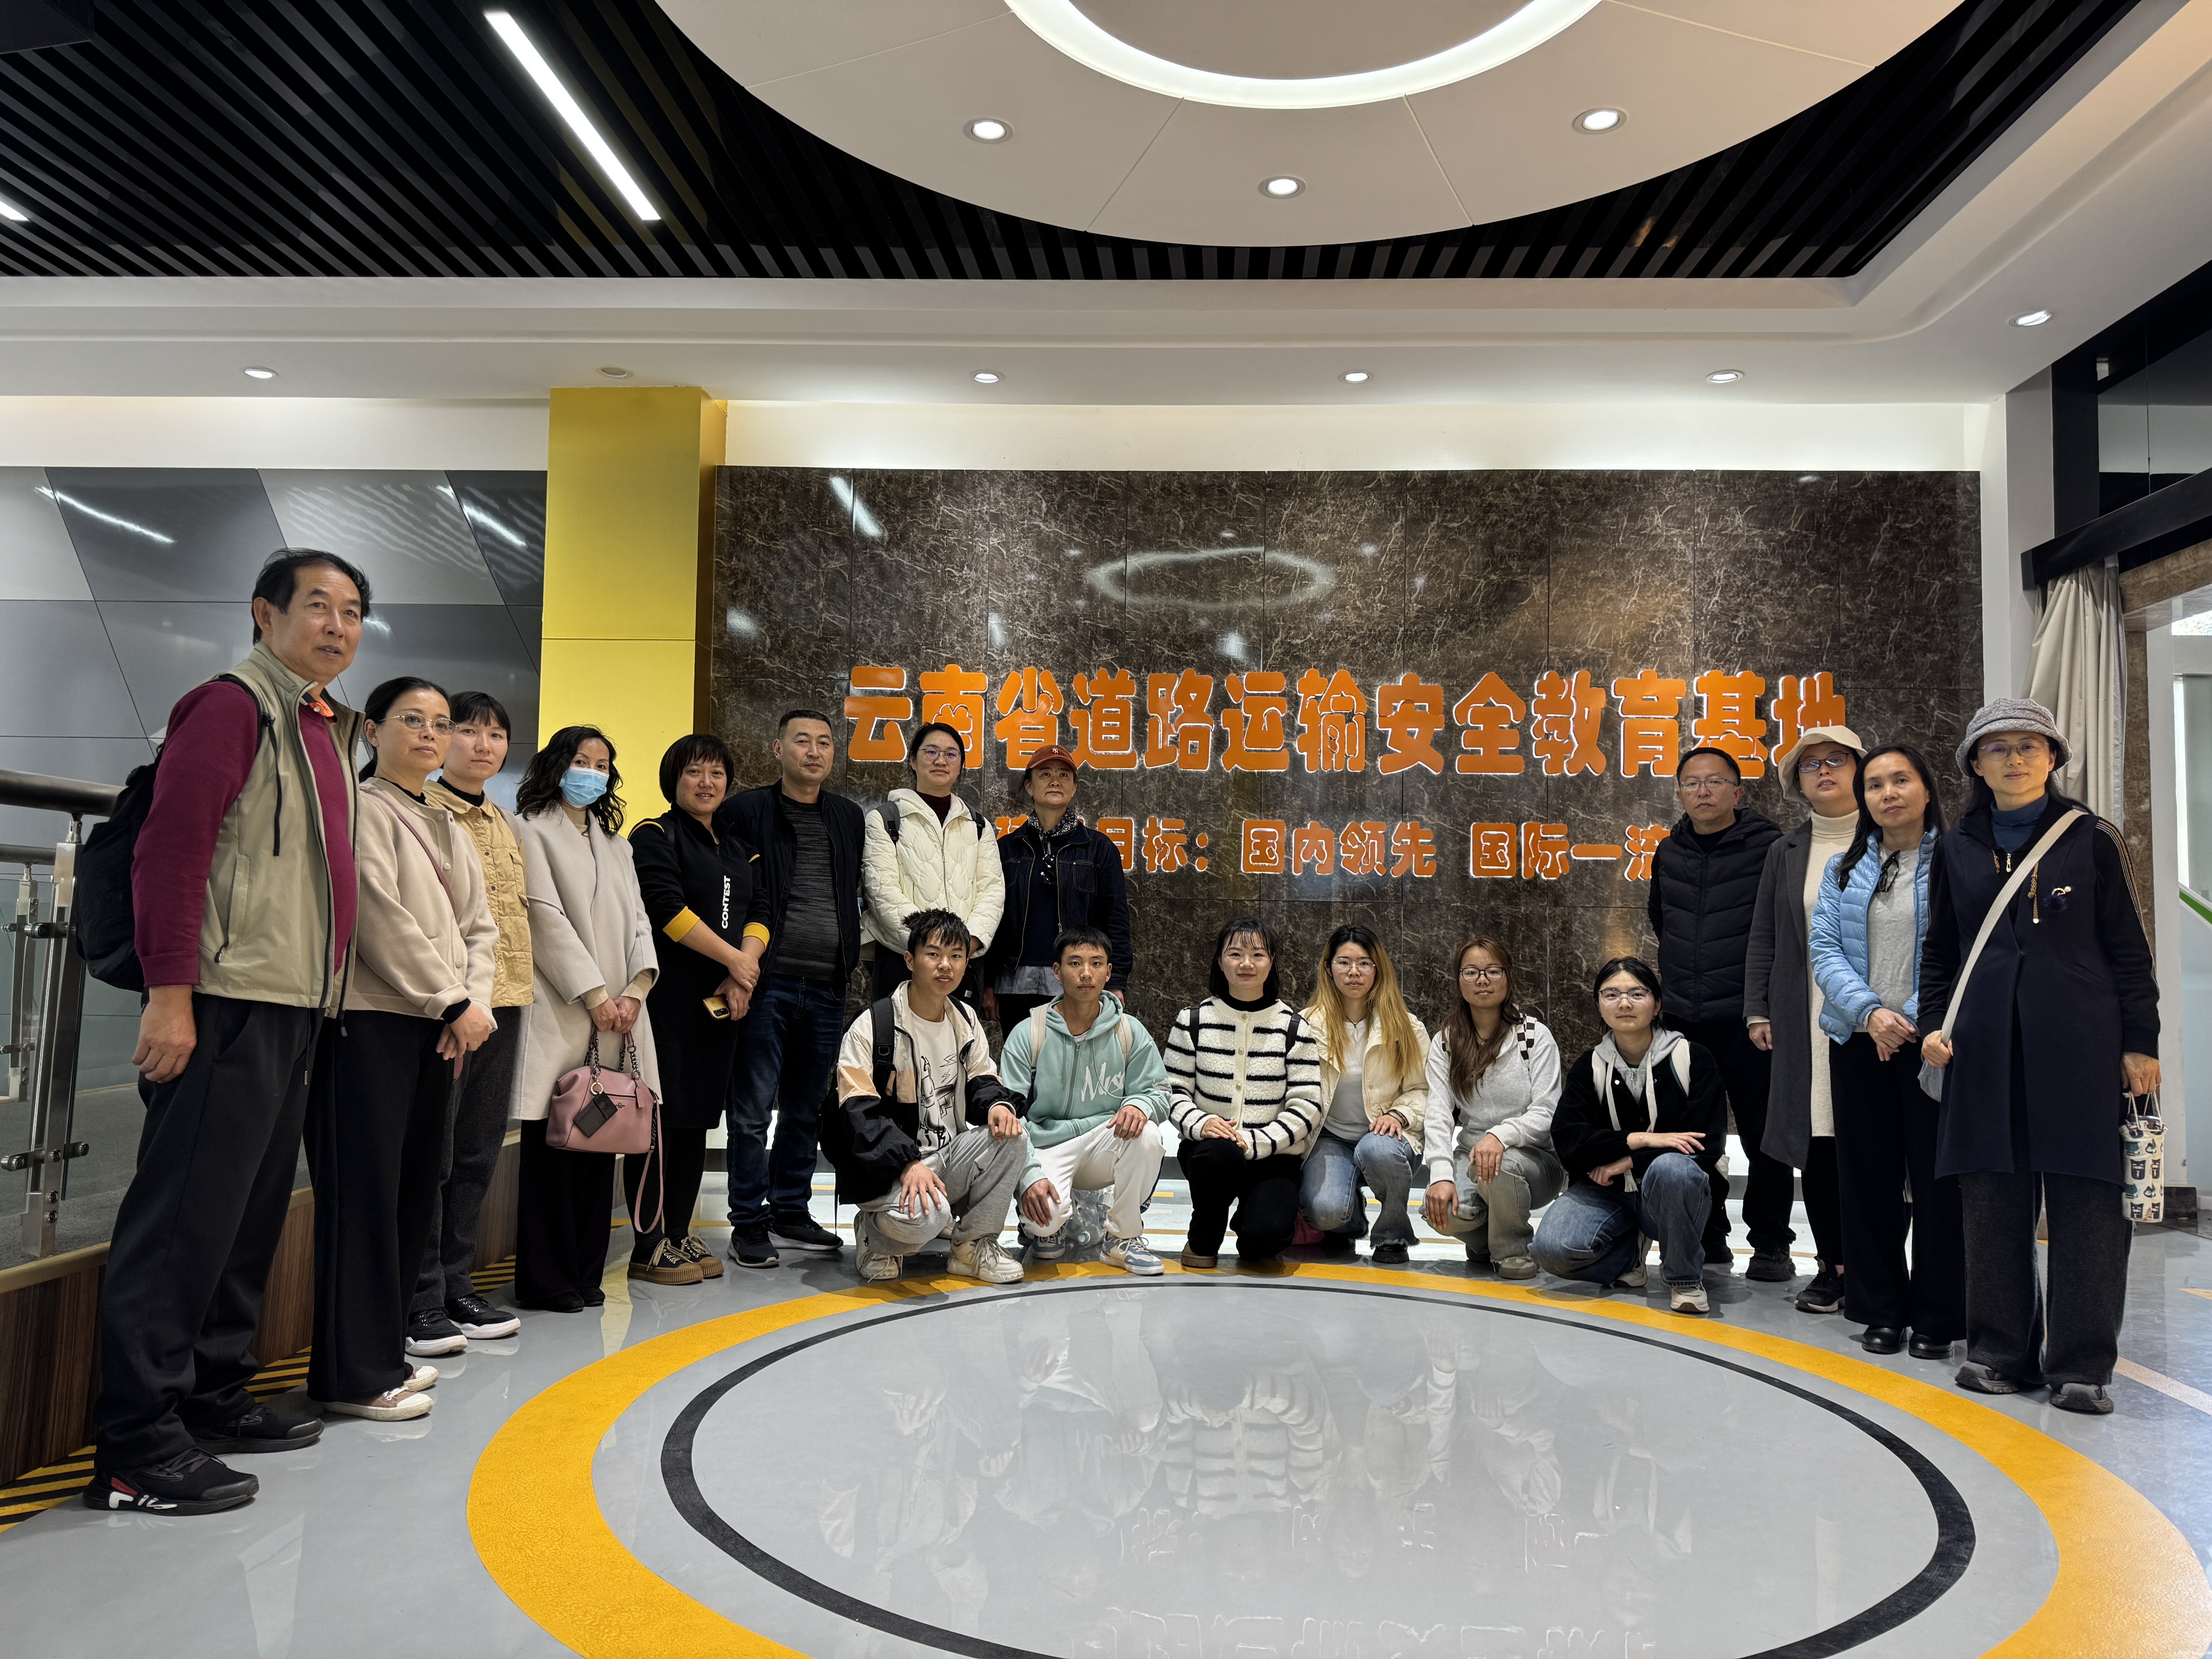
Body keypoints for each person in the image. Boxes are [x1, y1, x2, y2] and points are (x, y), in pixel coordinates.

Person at [88, 550, 367, 1515]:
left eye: (352, 612)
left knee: (245, 1217)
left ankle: (212, 1392)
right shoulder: (229, 707)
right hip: (224, 999)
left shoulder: (319, 725)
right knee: (183, 1223)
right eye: (318, 606)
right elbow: (172, 854)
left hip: (292, 1004)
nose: (337, 626)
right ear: (264, 613)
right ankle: (136, 1443)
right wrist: (170, 996)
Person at [1920, 699, 2158, 1414]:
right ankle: (1998, 1353)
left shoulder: (2092, 838)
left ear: (2053, 757)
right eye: (1998, 747)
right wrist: (1932, 1025)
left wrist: (2140, 1042)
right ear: (1975, 763)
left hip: (2082, 1048)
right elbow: (1940, 951)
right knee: (1991, 1202)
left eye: (2030, 745)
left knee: (2088, 1203)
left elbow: (2130, 950)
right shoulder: (1955, 846)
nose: (2015, 758)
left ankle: (2082, 1364)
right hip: (1982, 1050)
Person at [307, 677, 497, 1419]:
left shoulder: (447, 820)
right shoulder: (361, 806)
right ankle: (352, 1372)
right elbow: (376, 915)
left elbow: (480, 927)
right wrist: (449, 998)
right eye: (412, 720)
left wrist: (471, 1002)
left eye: (441, 723)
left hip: (442, 1025)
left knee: (415, 1190)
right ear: (372, 730)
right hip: (374, 1021)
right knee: (365, 1195)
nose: (430, 734)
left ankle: (382, 1355)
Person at [1810, 744, 1960, 1360]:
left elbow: (1964, 951)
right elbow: (1824, 949)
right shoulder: (1845, 868)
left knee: (1938, 1184)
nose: (1888, 793)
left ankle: (1937, 1316)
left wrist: (1916, 1019)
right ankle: (1880, 1310)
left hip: (1933, 1044)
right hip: (1859, 1041)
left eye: (1901, 780)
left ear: (1927, 789)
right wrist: (1871, 1013)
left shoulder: (1957, 862)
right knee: (1867, 1182)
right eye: (1875, 785)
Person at [508, 727, 660, 1312]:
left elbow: (641, 922)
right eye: (581, 761)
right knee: (554, 1146)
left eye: (602, 765)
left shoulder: (617, 846)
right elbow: (543, 918)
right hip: (564, 1009)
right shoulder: (529, 830)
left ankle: (586, 1274)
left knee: (601, 1145)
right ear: (556, 764)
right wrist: (595, 994)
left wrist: (636, 990)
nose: (591, 773)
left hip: (620, 1015)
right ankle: (547, 1281)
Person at [719, 709, 862, 1268]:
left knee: (806, 1108)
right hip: (766, 982)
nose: (814, 751)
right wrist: (735, 968)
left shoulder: (847, 816)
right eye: (802, 741)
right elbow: (730, 893)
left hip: (827, 984)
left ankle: (790, 1212)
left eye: (824, 743)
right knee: (752, 1110)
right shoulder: (745, 811)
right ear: (779, 750)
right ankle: (748, 1222)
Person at [626, 733, 771, 1285]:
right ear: (674, 780)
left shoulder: (740, 848)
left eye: (716, 773)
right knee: (660, 1124)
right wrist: (736, 962)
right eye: (694, 772)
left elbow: (761, 911)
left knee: (695, 1124)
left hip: (722, 1006)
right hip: (668, 1004)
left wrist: (742, 972)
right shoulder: (655, 834)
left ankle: (678, 1233)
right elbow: (666, 909)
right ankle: (647, 1245)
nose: (706, 783)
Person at [412, 690, 530, 1351]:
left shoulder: (503, 821)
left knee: (478, 1150)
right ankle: (421, 1295)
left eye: (496, 734)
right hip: (449, 1010)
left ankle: (457, 1282)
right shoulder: (426, 812)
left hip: (505, 1004)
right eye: (469, 730)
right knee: (435, 1153)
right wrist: (455, 1003)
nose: (484, 744)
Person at [827, 908, 1029, 1284]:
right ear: (910, 960)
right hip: (888, 1169)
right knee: (930, 1219)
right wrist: (906, 1163)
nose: (945, 965)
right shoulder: (874, 1024)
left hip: (944, 1158)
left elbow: (983, 1077)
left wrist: (999, 1105)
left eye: (956, 956)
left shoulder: (965, 1020)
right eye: (934, 954)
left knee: (1013, 1136)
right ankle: (874, 1235)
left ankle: (972, 1247)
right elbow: (858, 1113)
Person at [1646, 745, 1784, 1276]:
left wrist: (1761, 1003)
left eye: (1715, 782)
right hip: (1684, 1018)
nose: (1702, 792)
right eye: (1692, 783)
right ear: (1680, 792)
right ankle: (1709, 1233)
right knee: (1694, 1135)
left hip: (1750, 1019)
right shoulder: (1668, 852)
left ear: (1737, 792)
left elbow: (1781, 930)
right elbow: (1662, 921)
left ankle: (1770, 1243)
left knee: (1764, 1135)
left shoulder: (1770, 847)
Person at [1743, 724, 1863, 1316]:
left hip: (1877, 1018)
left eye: (1837, 760)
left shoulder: (1892, 838)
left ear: (1861, 769)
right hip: (1805, 1017)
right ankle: (1834, 1266)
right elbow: (1764, 935)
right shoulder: (1786, 851)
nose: (1824, 771)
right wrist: (1757, 1008)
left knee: (1872, 1141)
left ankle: (1875, 1267)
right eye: (1811, 765)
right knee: (1818, 1139)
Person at [1533, 958, 1728, 1316]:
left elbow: (1705, 1143)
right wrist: (1642, 1141)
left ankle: (1684, 1278)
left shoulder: (1692, 1058)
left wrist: (1628, 1160)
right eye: (1612, 995)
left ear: (1657, 1005)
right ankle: (1628, 1259)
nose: (1624, 1003)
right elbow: (1570, 1144)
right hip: (1608, 1191)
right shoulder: (1589, 1067)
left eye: (1637, 994)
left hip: (1669, 1196)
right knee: (1551, 1251)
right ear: (1599, 1006)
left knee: (1674, 1169)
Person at [1001, 925, 1171, 1276]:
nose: (1086, 973)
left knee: (1148, 1135)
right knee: (1044, 1225)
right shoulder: (1030, 1032)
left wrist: (1139, 1105)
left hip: (1103, 1139)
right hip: (1047, 1144)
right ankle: (1049, 1227)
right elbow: (1011, 1115)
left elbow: (1159, 1092)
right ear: (1057, 971)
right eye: (1075, 963)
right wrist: (1029, 1174)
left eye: (1096, 963)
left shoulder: (1128, 1031)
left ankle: (1123, 1238)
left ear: (1109, 972)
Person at [1163, 917, 1322, 1271]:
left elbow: (1308, 1106)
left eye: (1258, 955)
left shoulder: (1293, 1027)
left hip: (1274, 1155)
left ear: (1272, 962)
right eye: (1235, 954)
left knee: (1264, 1241)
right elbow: (1172, 1091)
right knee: (1220, 1155)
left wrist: (1253, 1142)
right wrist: (1202, 1124)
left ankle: (1251, 1219)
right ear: (1220, 961)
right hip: (1210, 1152)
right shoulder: (1192, 1020)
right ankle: (1204, 1236)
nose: (1246, 964)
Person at [1421, 936, 1565, 1280]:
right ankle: (1489, 1239)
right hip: (1471, 1155)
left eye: (1492, 971)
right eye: (1471, 972)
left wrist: (1500, 1136)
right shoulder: (1446, 1041)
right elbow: (1438, 1111)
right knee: (1440, 1211)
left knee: (1500, 1166)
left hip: (1534, 1161)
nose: (1482, 980)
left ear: (1508, 976)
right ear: (1459, 980)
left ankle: (1512, 1250)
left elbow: (1548, 1110)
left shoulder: (1533, 1036)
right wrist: (1440, 1173)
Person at [1298, 925, 1430, 1266]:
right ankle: (1351, 1217)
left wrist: (1399, 1114)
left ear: (1378, 969)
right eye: (1344, 962)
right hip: (1330, 1136)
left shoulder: (1407, 1027)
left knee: (1377, 1150)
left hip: (1385, 1136)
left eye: (1365, 963)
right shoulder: (1305, 1026)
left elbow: (1423, 1090)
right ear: (1329, 969)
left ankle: (1392, 1234)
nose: (1354, 972)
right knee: (1326, 1212)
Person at [981, 745, 1132, 1034]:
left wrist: (1116, 982)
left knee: (1077, 1059)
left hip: (1079, 977)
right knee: (1023, 1059)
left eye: (1064, 775)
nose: (1055, 781)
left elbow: (1116, 919)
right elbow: (992, 918)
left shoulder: (1098, 849)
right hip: (1016, 981)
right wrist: (989, 982)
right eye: (1045, 774)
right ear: (1029, 786)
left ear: (1074, 788)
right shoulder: (1007, 849)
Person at [860, 720, 1004, 1003]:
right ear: (913, 760)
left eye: (951, 754)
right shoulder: (886, 819)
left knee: (961, 1031)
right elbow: (882, 892)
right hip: (903, 960)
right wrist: (930, 949)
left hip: (964, 965)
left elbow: (993, 891)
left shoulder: (978, 825)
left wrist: (965, 946)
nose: (941, 760)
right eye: (931, 752)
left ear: (961, 766)